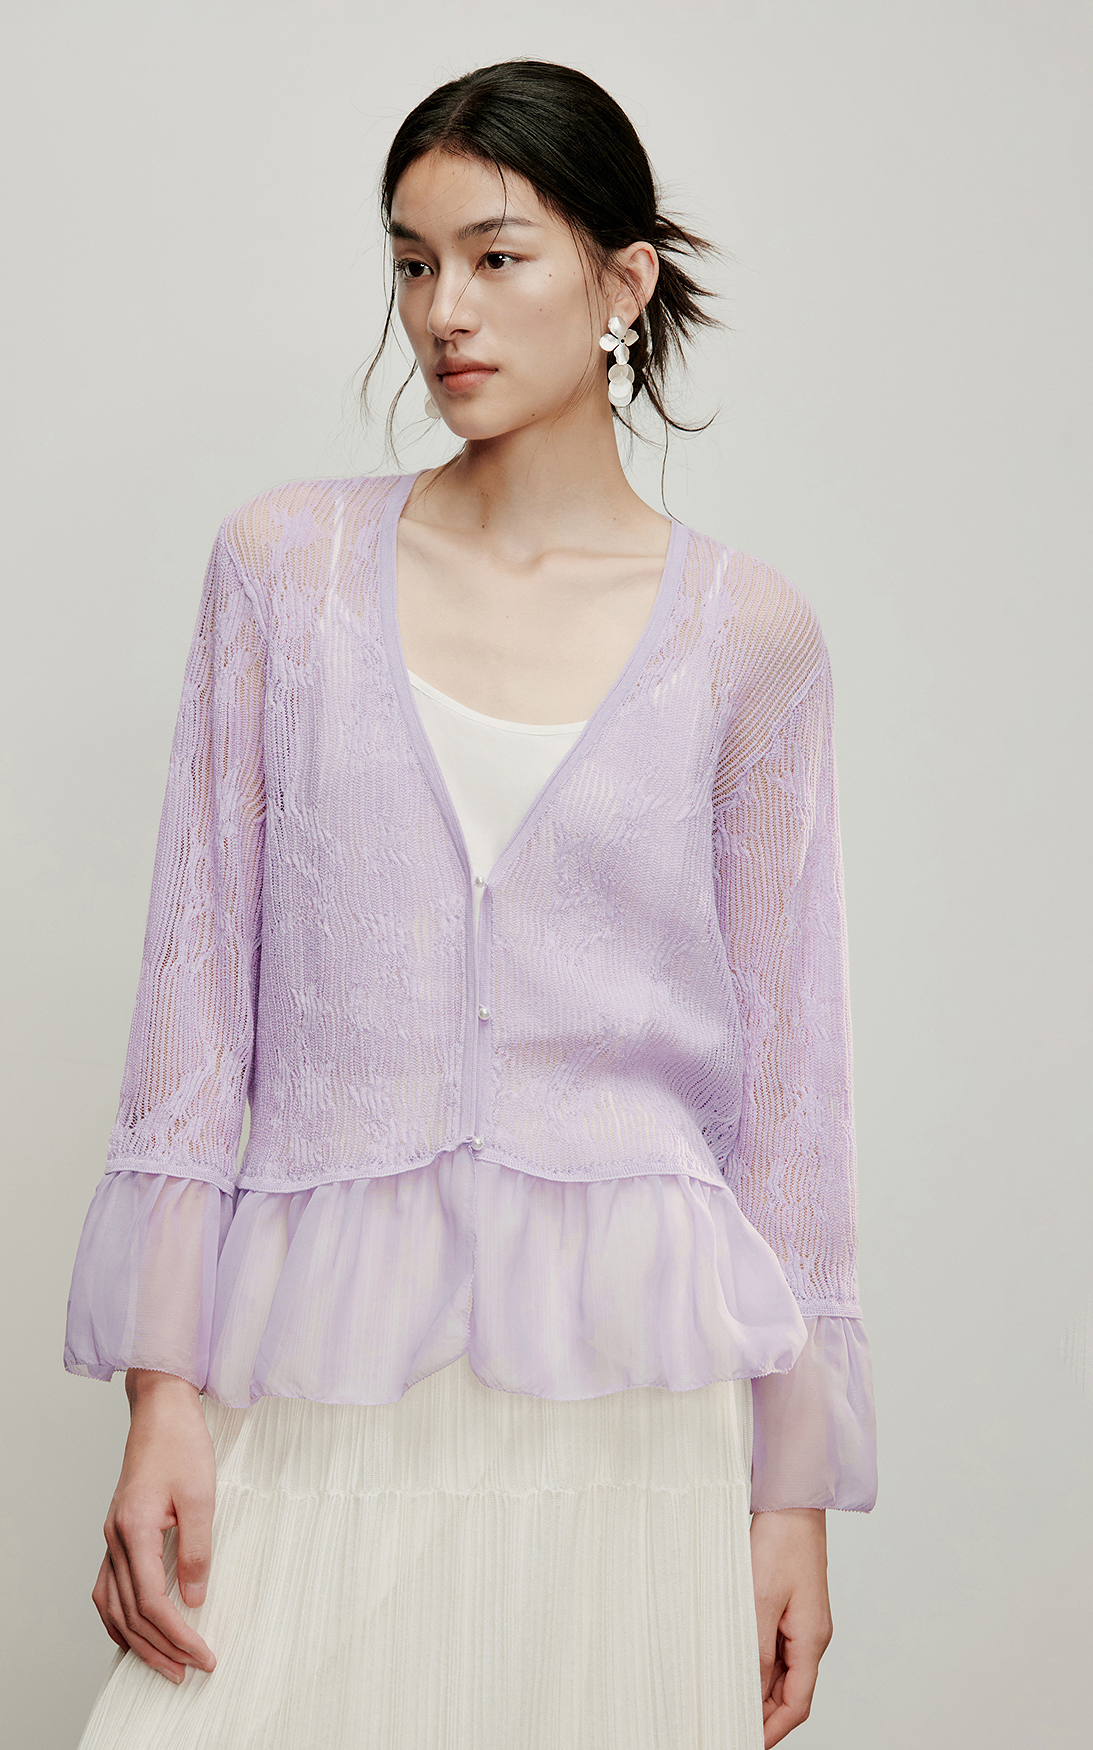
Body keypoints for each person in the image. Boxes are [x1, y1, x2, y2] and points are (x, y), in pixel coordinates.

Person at [65, 58, 877, 1750]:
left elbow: (793, 1099)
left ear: (623, 282)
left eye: (499, 257)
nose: (446, 311)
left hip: (632, 1399)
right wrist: (161, 1395)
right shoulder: (282, 572)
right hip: (323, 1352)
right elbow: (193, 1011)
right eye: (413, 262)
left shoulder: (751, 638)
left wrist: (788, 1497)